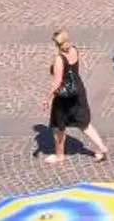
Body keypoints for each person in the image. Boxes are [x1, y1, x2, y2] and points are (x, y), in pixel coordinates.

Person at [42, 30, 109, 164]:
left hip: (64, 96)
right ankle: (102, 148)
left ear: (57, 44)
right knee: (84, 123)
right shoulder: (74, 50)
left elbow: (57, 81)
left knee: (58, 126)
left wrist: (47, 98)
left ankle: (59, 156)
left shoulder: (59, 59)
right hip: (78, 90)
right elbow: (77, 68)